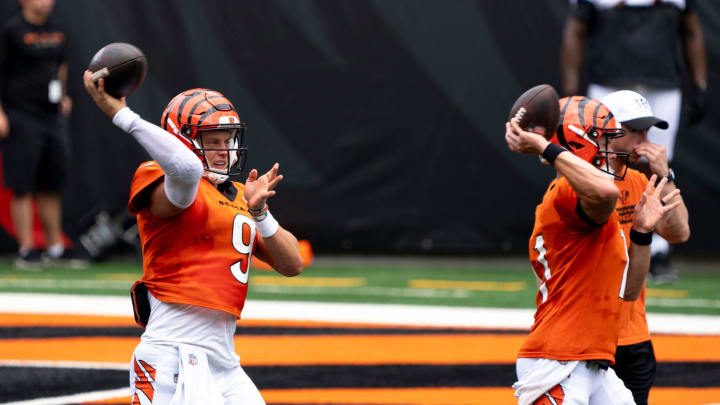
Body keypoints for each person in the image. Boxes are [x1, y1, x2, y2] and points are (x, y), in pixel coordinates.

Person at [83, 71, 304, 404]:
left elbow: (293, 263)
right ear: (182, 139)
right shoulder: (161, 178)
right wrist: (123, 115)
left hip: (225, 362)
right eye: (212, 140)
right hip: (172, 355)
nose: (222, 150)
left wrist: (260, 213)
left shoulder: (242, 196)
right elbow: (185, 169)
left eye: (227, 139)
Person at [505, 96, 681, 405]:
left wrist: (641, 233)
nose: (611, 148)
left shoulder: (596, 198)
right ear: (579, 140)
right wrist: (545, 147)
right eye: (603, 137)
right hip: (558, 360)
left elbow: (629, 291)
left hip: (594, 363)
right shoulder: (567, 192)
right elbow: (604, 191)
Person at [561, 0, 706, 280]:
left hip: (661, 84)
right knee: (599, 158)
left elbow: (692, 29)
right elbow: (575, 30)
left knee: (657, 161)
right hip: (609, 82)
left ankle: (658, 249)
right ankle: (595, 234)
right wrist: (571, 91)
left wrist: (700, 84)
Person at [601, 90, 690, 405]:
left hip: (634, 335)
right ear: (606, 128)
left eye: (647, 128)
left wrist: (665, 176)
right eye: (635, 128)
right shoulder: (583, 185)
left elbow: (679, 232)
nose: (645, 137)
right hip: (590, 336)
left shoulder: (640, 181)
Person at [0, 0, 75, 269]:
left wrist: (63, 96)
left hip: (51, 116)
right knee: (22, 185)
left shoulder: (58, 28)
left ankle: (55, 248)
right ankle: (26, 249)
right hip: (20, 115)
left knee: (51, 184)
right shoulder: (11, 30)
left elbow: (61, 64)